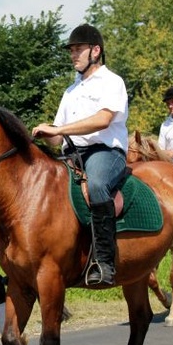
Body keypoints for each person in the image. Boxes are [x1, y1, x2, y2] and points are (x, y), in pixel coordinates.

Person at [31, 24, 129, 286]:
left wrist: (59, 129)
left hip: (105, 152)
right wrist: (44, 134)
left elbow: (103, 120)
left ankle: (105, 263)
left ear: (95, 51)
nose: (73, 55)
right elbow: (58, 137)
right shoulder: (71, 90)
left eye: (78, 49)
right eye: (71, 50)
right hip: (72, 155)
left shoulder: (112, 81)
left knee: (96, 185)